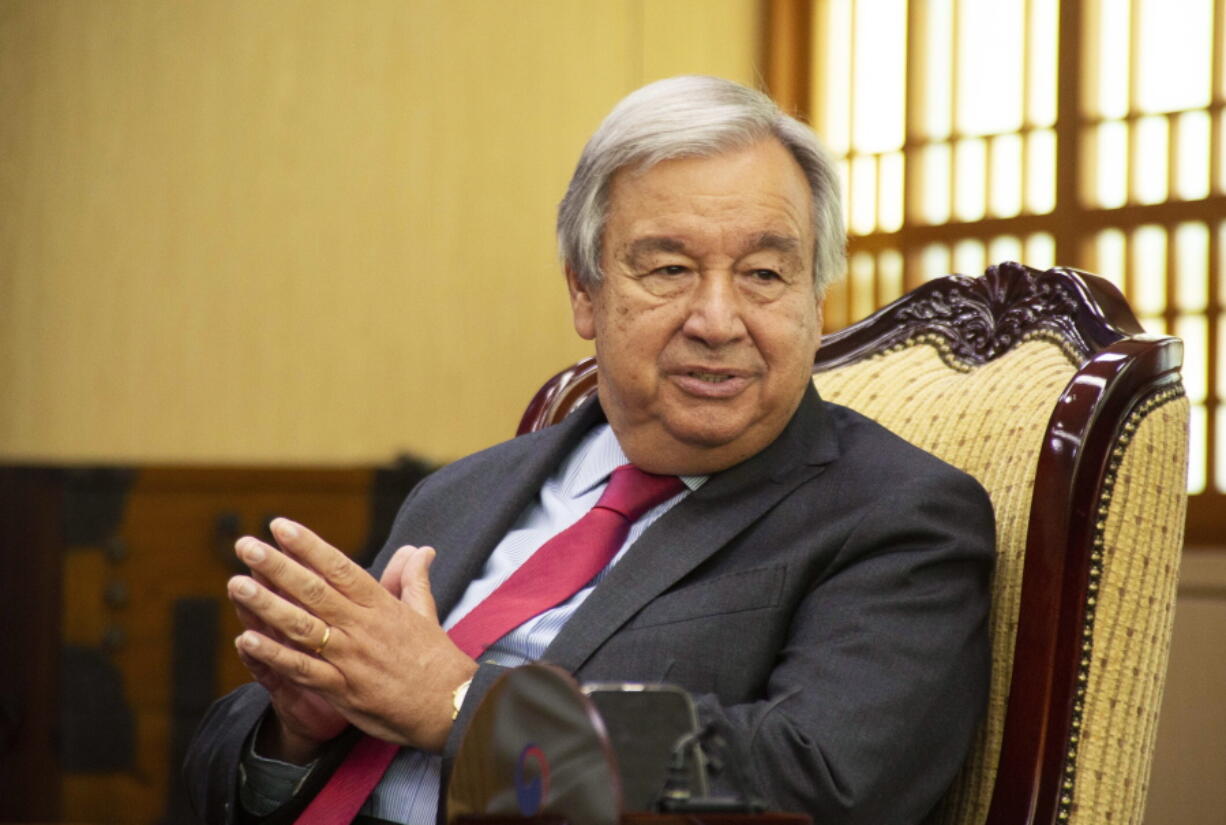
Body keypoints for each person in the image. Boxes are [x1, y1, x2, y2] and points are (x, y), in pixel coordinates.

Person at [185, 75, 995, 825]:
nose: (718, 319)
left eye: (763, 274)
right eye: (670, 268)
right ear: (585, 290)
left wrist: (465, 705)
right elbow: (217, 765)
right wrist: (300, 733)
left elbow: (816, 779)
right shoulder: (464, 491)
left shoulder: (898, 514)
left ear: (815, 297)